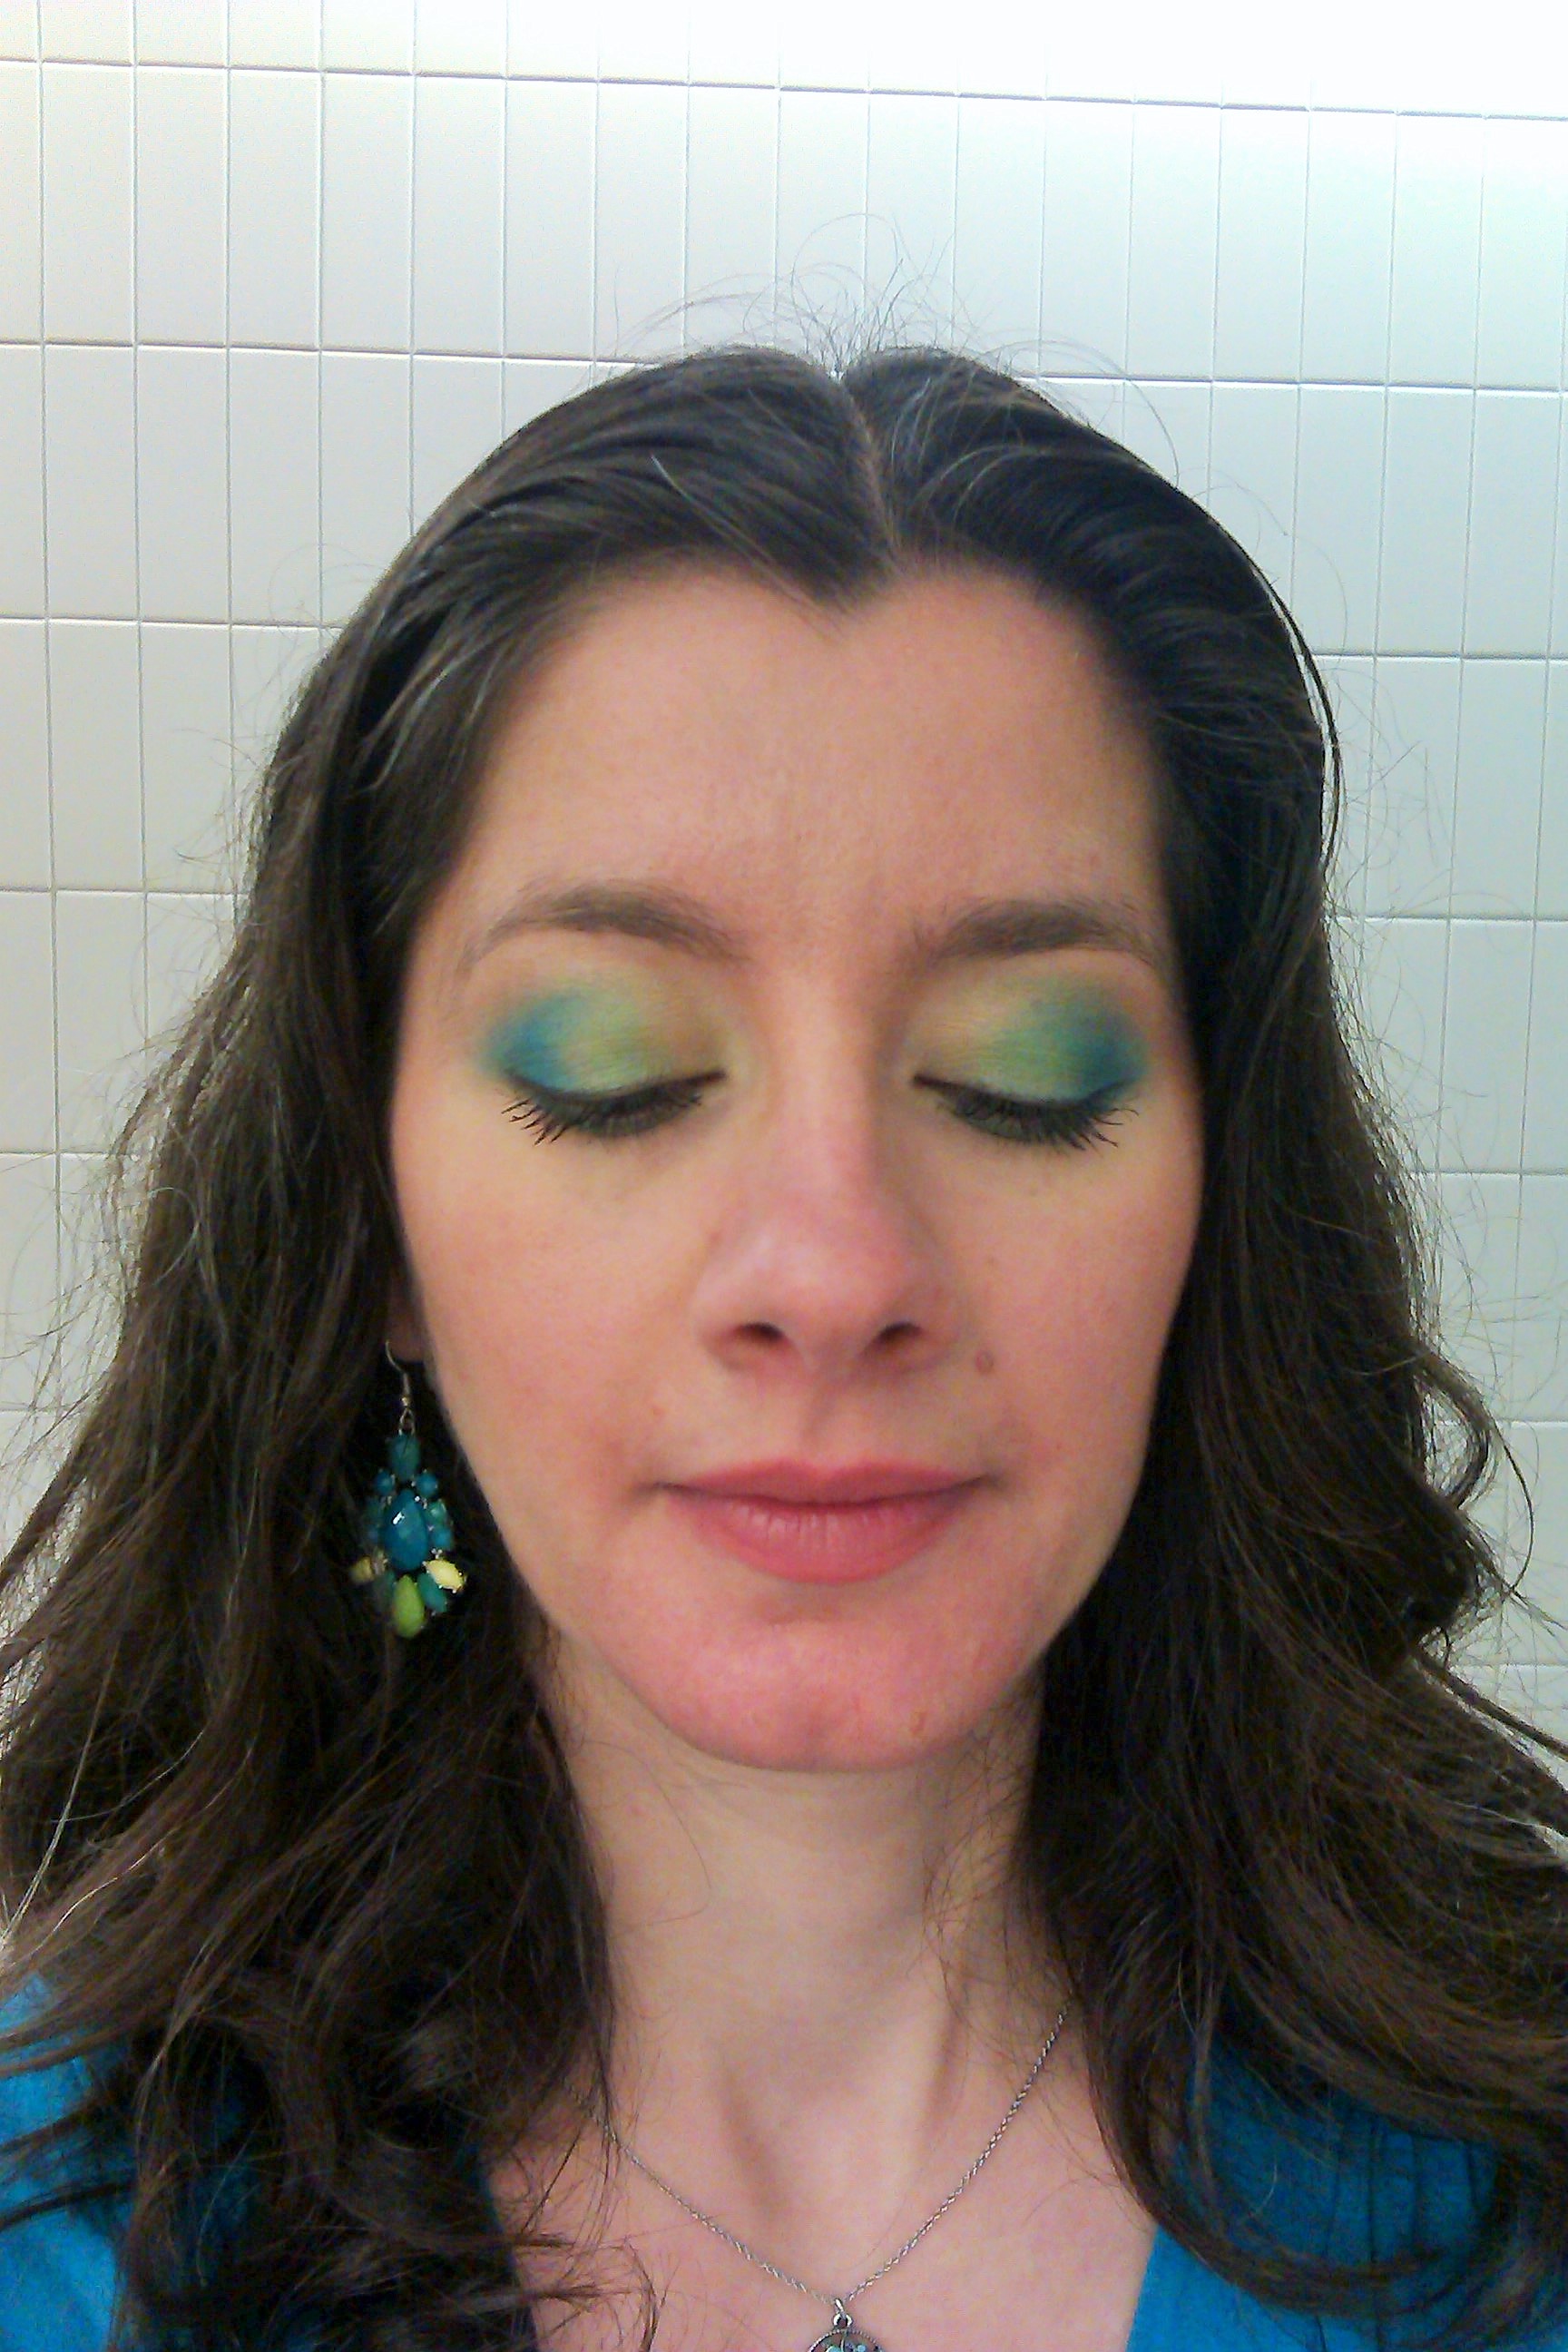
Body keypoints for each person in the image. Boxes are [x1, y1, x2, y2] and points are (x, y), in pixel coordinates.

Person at [2, 344, 1566, 2352]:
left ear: (1216, 1213)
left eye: (1025, 1074)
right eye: (613, 1068)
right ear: (373, 1225)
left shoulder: (1510, 2187)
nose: (832, 1271)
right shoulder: (59, 2244)